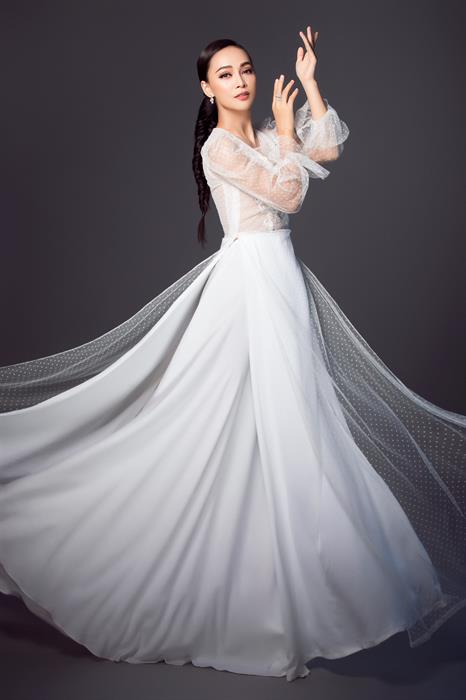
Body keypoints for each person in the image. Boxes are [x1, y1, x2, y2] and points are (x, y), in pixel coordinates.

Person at [0, 28, 465, 683]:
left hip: (282, 285)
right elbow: (290, 195)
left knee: (276, 429)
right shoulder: (220, 147)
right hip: (250, 288)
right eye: (226, 74)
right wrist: (285, 129)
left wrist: (308, 86)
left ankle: (293, 596)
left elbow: (327, 148)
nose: (241, 80)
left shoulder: (267, 137)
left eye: (245, 69)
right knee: (252, 426)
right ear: (207, 88)